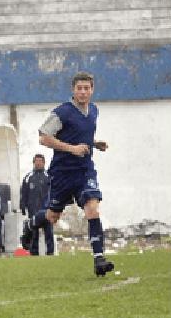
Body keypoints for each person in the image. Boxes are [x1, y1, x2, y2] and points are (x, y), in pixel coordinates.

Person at [20, 71, 115, 276]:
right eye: (79, 88)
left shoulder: (94, 111)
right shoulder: (62, 112)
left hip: (84, 171)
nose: (83, 92)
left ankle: (99, 259)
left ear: (92, 90)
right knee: (52, 216)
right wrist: (72, 149)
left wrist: (94, 143)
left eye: (86, 88)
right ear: (73, 90)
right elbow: (43, 137)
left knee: (92, 210)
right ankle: (30, 224)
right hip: (62, 174)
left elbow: (82, 135)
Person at [19, 154, 54, 255]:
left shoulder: (49, 177)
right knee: (34, 232)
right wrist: (23, 206)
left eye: (40, 161)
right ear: (34, 163)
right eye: (36, 161)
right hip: (33, 209)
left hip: (47, 210)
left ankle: (50, 253)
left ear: (44, 163)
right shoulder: (28, 177)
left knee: (49, 232)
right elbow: (24, 193)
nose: (38, 163)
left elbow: (54, 192)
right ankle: (34, 253)